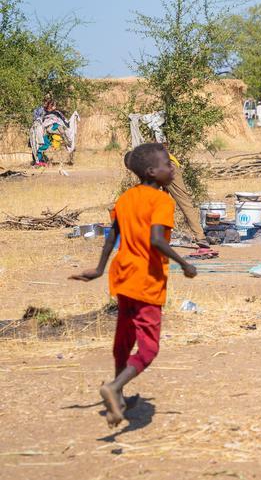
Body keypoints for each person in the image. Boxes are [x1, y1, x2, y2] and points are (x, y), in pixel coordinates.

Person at [70, 143, 197, 428]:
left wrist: (100, 269)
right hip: (147, 281)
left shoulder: (126, 198)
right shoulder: (163, 201)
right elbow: (157, 240)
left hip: (123, 277)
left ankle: (119, 397)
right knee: (149, 350)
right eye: (167, 163)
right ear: (152, 172)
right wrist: (185, 263)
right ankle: (114, 388)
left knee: (124, 340)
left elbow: (110, 236)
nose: (172, 167)